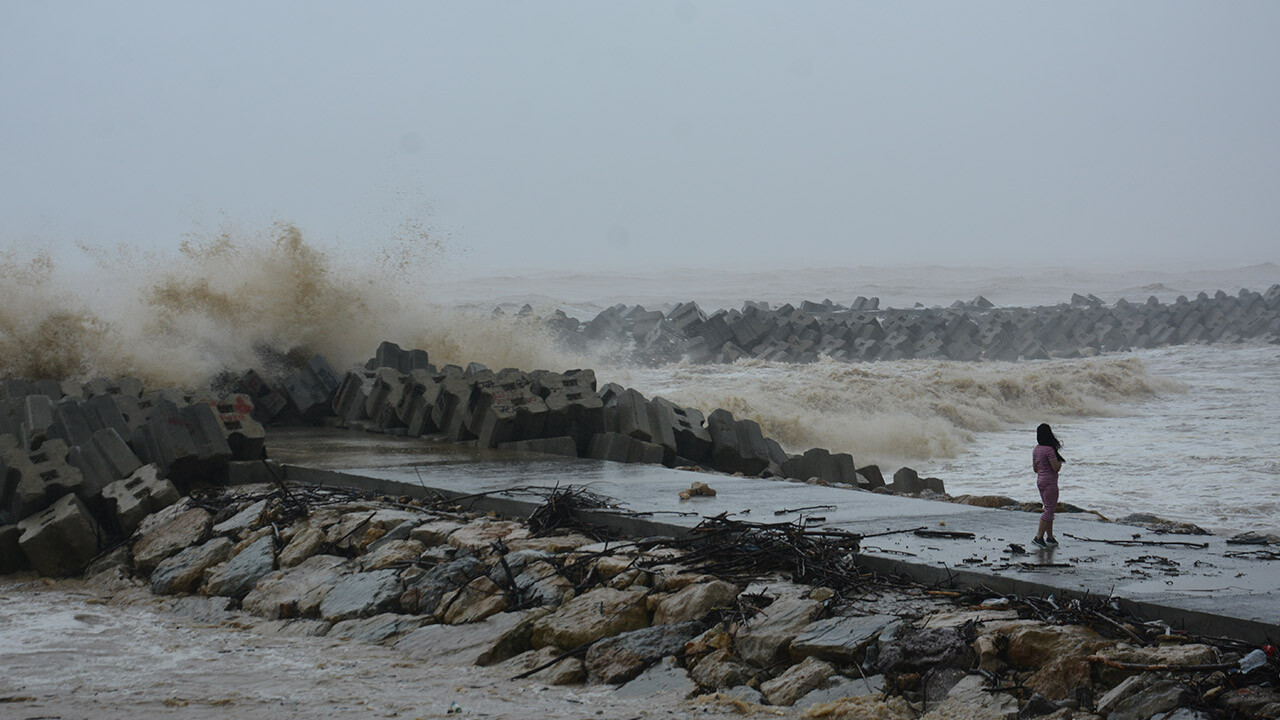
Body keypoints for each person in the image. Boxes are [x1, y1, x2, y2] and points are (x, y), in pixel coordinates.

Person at [1031, 423, 1065, 548]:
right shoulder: (1049, 450)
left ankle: (1050, 537)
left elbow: (1035, 469)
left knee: (1048, 508)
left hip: (1040, 481)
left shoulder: (1036, 449)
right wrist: (1059, 464)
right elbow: (1055, 468)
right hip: (1050, 481)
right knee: (1049, 510)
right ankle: (1038, 537)